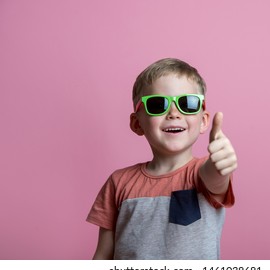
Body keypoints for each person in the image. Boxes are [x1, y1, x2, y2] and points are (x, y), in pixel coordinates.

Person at [87, 58, 237, 259]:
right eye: (158, 105)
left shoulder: (203, 173)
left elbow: (215, 178)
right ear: (137, 123)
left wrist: (221, 162)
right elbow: (103, 255)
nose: (174, 113)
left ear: (203, 121)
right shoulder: (119, 182)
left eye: (188, 103)